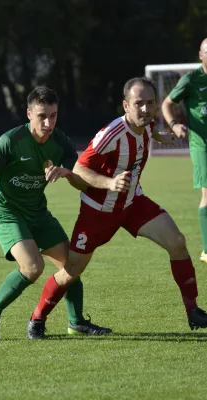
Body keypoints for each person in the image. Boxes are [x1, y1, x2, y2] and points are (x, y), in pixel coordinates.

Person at [27, 77, 207, 339]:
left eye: (150, 103)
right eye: (138, 104)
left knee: (177, 242)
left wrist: (162, 135)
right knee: (71, 272)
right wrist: (110, 182)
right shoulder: (110, 134)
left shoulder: (147, 122)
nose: (145, 109)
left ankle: (193, 311)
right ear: (125, 105)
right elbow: (79, 169)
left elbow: (149, 129)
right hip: (98, 212)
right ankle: (37, 319)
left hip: (133, 203)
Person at [0, 86, 111, 341]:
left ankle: (76, 322)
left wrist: (67, 173)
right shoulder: (10, 141)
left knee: (72, 266)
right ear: (28, 114)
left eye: (53, 116)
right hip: (7, 212)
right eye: (42, 116)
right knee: (33, 267)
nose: (48, 123)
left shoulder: (61, 143)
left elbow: (81, 182)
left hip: (38, 213)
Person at [162, 38, 207, 264]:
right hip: (202, 145)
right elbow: (166, 104)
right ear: (200, 55)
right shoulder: (191, 79)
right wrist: (173, 125)